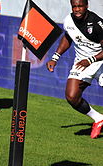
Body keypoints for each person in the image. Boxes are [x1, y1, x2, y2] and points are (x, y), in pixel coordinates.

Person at [46, 0, 103, 139]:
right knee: (71, 96)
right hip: (81, 63)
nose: (77, 9)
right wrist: (55, 57)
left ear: (86, 6)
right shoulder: (68, 21)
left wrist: (90, 60)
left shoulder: (97, 24)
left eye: (80, 6)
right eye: (74, 6)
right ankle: (98, 119)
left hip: (100, 61)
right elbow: (68, 38)